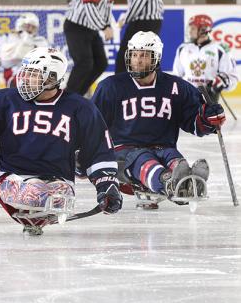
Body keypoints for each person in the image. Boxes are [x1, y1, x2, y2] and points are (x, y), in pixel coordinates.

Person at [0, 47, 122, 236]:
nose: (25, 79)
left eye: (33, 75)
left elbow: (98, 150)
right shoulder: (8, 99)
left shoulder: (80, 108)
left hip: (58, 183)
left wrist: (107, 185)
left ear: (52, 78)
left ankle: (27, 200)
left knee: (50, 196)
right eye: (25, 73)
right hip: (13, 178)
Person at [92, 32, 225, 208]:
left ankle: (188, 181)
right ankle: (169, 182)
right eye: (134, 55)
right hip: (125, 154)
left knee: (174, 159)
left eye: (144, 55)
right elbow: (92, 124)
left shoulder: (176, 87)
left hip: (164, 148)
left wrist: (209, 119)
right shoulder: (111, 87)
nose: (138, 60)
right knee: (143, 158)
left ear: (156, 58)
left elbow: (194, 123)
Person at [64, 0, 117, 96]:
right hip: (76, 27)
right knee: (84, 63)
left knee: (101, 63)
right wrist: (104, 26)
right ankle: (67, 99)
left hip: (90, 28)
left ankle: (77, 95)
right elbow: (90, 8)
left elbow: (107, 7)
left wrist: (107, 25)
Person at [172, 14, 238, 103]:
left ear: (204, 30)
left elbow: (233, 76)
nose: (190, 31)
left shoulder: (220, 49)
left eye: (193, 28)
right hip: (187, 97)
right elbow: (176, 76)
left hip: (209, 98)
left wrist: (223, 80)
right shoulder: (183, 48)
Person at [0, 12, 48, 87]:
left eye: (33, 27)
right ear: (20, 25)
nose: (30, 29)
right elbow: (4, 61)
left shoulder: (40, 41)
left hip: (35, 75)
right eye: (27, 26)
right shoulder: (7, 39)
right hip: (14, 76)